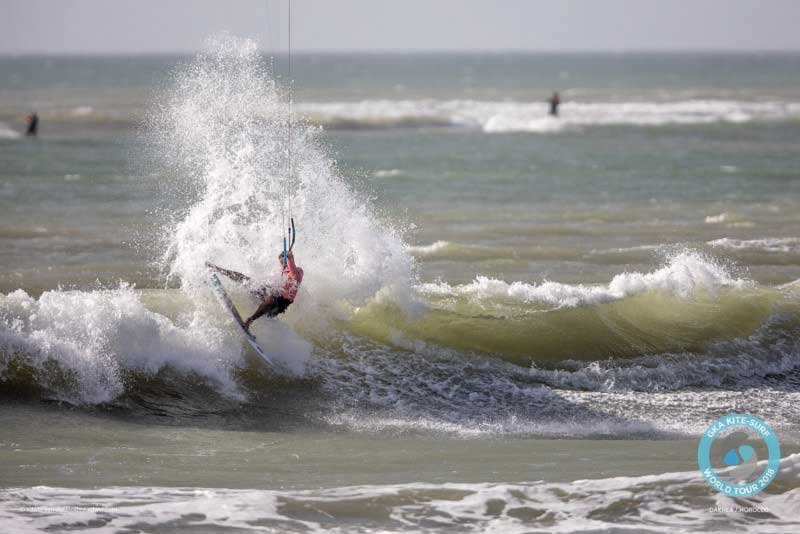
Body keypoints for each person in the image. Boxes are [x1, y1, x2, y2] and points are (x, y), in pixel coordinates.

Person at [206, 251, 303, 331]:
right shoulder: (284, 269)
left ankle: (250, 321)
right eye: (281, 262)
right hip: (274, 293)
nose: (282, 263)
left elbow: (293, 273)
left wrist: (290, 258)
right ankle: (218, 269)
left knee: (271, 300)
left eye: (283, 261)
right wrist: (286, 261)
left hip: (281, 303)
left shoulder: (297, 272)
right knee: (247, 281)